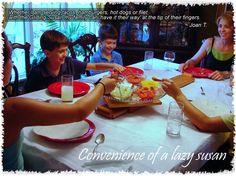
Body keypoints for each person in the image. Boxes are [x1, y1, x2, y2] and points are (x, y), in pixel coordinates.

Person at [2, 32, 118, 171]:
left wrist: (111, 66)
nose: (12, 62)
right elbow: (78, 112)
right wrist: (103, 85)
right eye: (10, 58)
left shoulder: (68, 62)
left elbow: (91, 66)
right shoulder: (11, 108)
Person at [24, 29, 124, 93]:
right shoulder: (36, 72)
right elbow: (26, 98)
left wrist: (112, 65)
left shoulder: (69, 62)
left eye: (66, 50)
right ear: (47, 53)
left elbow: (94, 66)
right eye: (60, 51)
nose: (65, 54)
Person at [179, 11, 234, 80]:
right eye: (220, 26)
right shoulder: (209, 42)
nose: (222, 30)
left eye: (226, 27)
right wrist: (187, 64)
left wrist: (226, 74)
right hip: (204, 86)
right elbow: (193, 60)